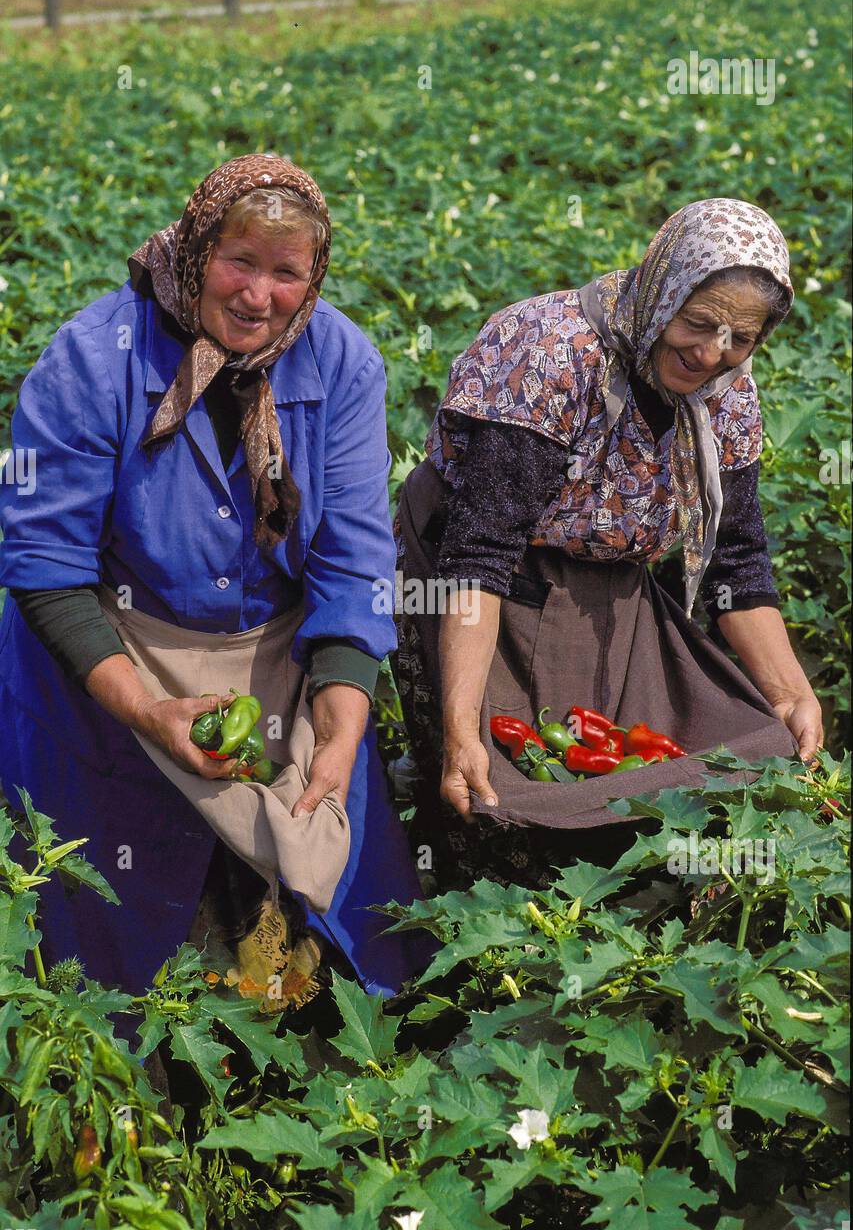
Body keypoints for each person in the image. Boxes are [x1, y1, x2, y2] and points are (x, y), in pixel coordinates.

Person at [0, 153, 432, 1008]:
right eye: (240, 261)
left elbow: (352, 557)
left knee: (326, 911)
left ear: (313, 280)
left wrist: (341, 716)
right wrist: (145, 708)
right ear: (198, 251)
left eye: (287, 273)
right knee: (107, 928)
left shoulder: (341, 361)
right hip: (115, 648)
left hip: (273, 647)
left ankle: (309, 1061)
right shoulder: (94, 357)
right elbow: (47, 567)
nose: (257, 294)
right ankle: (133, 1076)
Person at [393, 197, 823, 889]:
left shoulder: (727, 396)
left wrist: (790, 692)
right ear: (662, 291)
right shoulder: (553, 357)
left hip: (605, 578)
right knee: (491, 787)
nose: (712, 353)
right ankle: (456, 910)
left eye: (739, 338)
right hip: (473, 575)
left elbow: (734, 562)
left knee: (728, 750)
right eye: (697, 323)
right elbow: (480, 554)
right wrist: (459, 724)